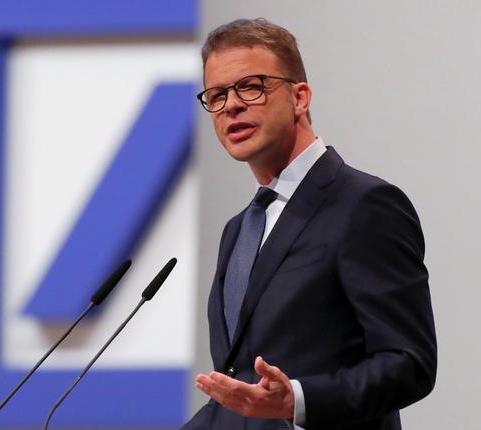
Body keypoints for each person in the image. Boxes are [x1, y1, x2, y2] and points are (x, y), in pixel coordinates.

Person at [183, 18, 437, 430]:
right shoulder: (238, 230)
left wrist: (297, 400)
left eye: (251, 86)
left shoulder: (364, 205)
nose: (231, 105)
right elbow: (241, 393)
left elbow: (409, 363)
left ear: (299, 97)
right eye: (217, 95)